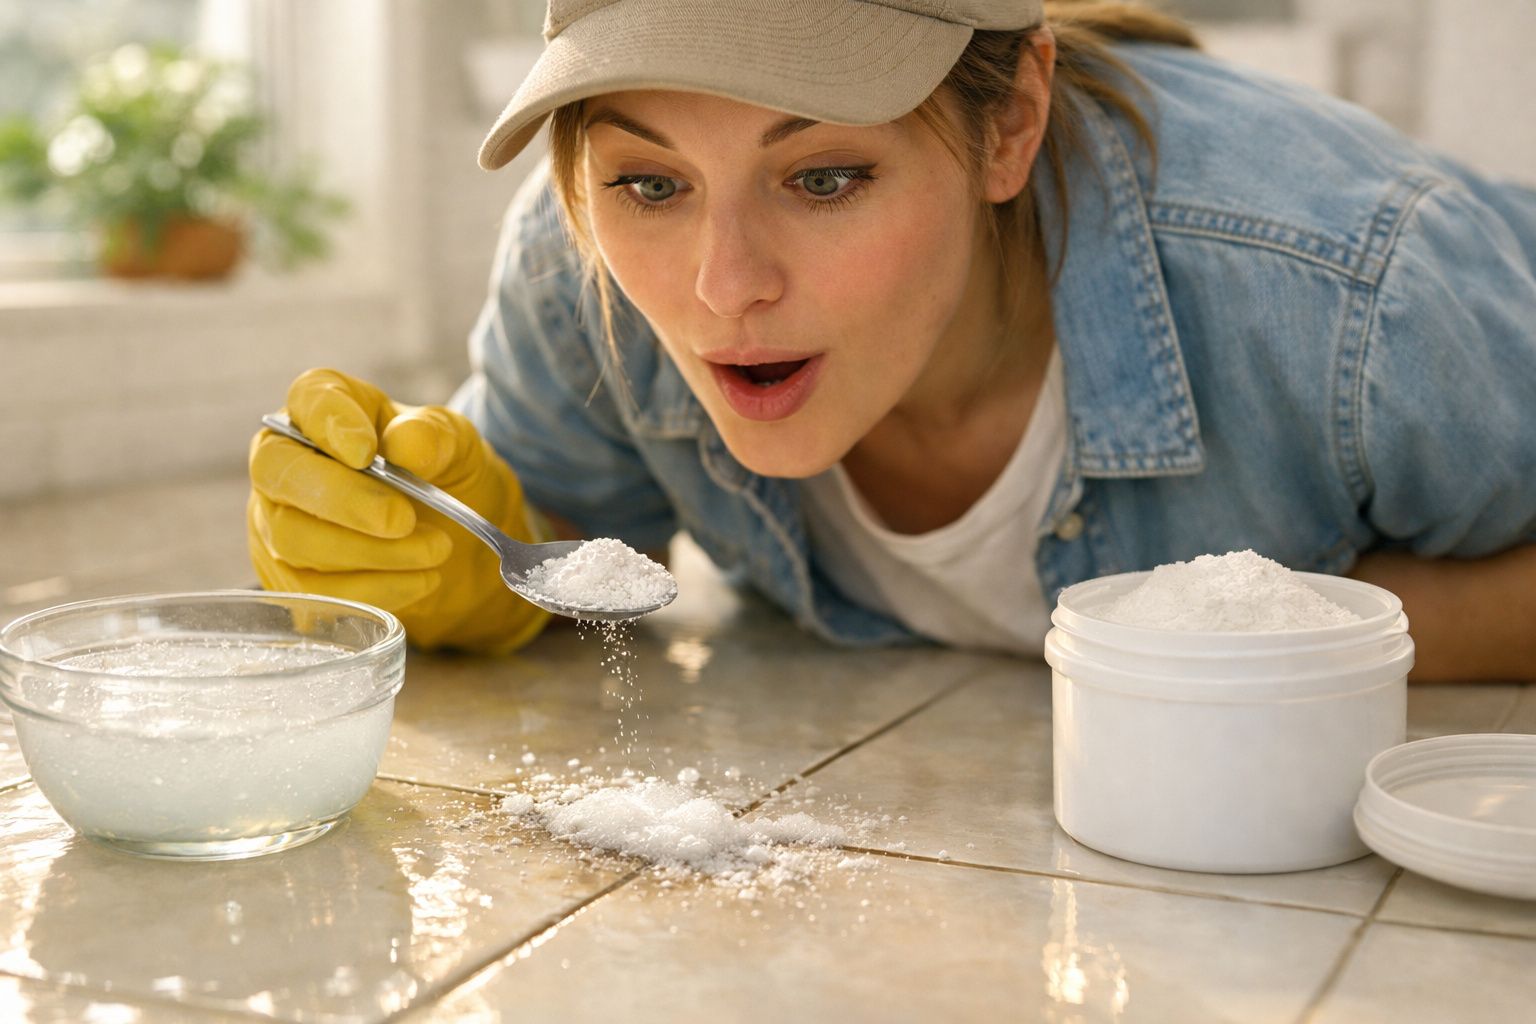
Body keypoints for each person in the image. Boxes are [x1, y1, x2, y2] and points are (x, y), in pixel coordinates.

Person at [247, 0, 1536, 681]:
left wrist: (1262, 633)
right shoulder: (569, 259)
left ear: (1008, 121)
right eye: (650, 184)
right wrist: (452, 561)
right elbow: (552, 537)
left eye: (822, 178)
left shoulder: (1356, 294)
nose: (722, 286)